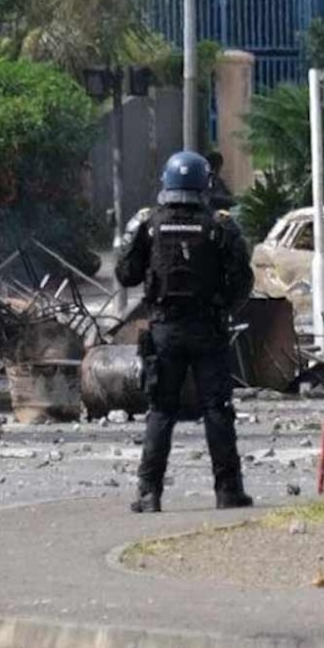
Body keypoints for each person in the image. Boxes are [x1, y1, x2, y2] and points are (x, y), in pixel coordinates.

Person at [115, 151, 254, 512]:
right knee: (217, 410)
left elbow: (125, 274)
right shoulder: (220, 225)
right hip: (208, 329)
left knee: (161, 411)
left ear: (166, 183)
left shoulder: (149, 224)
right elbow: (243, 280)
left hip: (165, 331)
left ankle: (149, 494)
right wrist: (223, 307)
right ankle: (228, 492)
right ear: (205, 184)